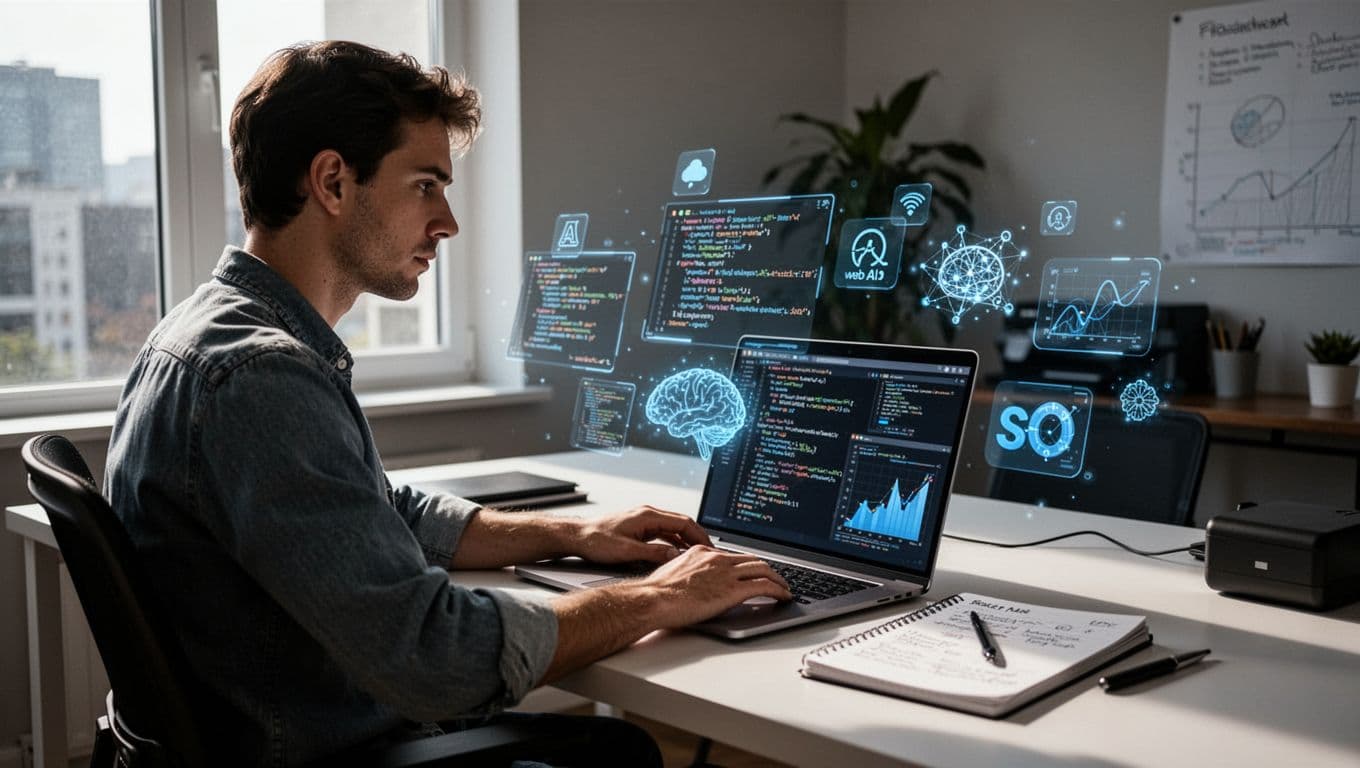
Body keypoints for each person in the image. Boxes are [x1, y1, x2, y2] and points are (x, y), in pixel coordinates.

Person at [105, 40, 790, 767]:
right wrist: (657, 598)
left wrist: (572, 535)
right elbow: (434, 657)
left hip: (279, 730)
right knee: (615, 752)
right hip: (319, 751)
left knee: (608, 741)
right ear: (333, 182)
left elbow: (372, 510)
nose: (449, 223)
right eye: (426, 185)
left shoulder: (204, 333)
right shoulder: (260, 379)